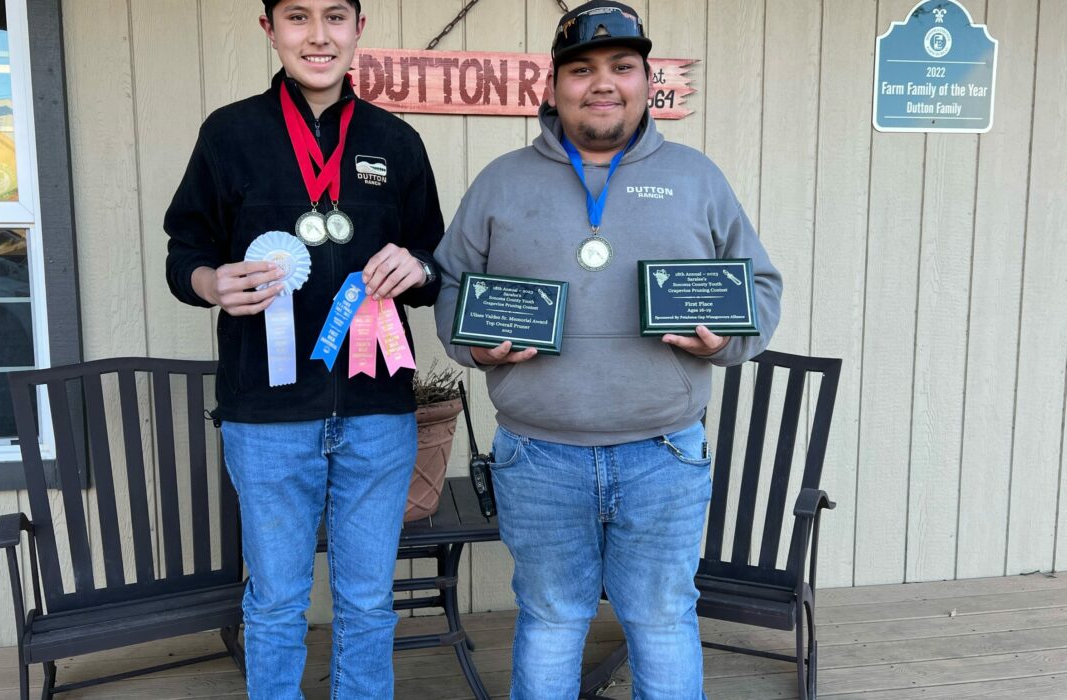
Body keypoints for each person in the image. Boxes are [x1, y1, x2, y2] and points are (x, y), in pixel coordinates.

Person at [433, 2, 782, 698]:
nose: (602, 83)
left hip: (663, 453)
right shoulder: (502, 180)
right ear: (554, 85)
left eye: (622, 67)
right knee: (551, 619)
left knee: (660, 619)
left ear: (646, 79)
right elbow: (451, 284)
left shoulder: (696, 176)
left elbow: (760, 287)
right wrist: (477, 346)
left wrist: (730, 338)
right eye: (582, 69)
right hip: (536, 454)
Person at [164, 1, 445, 697]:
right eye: (297, 17)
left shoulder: (397, 140)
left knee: (368, 603)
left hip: (378, 414)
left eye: (334, 17)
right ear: (270, 29)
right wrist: (210, 281)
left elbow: (437, 259)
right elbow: (185, 252)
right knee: (277, 601)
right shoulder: (229, 135)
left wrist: (422, 268)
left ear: (358, 28)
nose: (318, 36)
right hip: (265, 417)